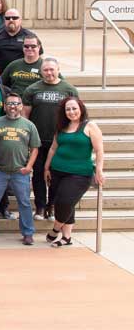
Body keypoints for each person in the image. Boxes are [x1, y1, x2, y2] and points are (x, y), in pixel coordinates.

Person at [0, 92, 39, 245]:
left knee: (24, 202)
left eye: (16, 104)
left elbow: (35, 148)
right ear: (4, 107)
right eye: (10, 104)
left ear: (21, 106)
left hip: (20, 172)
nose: (13, 106)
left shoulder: (29, 125)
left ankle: (28, 232)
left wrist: (29, 167)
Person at [22, 57, 79, 219]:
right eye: (45, 70)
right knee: (39, 174)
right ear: (41, 71)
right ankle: (40, 206)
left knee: (56, 174)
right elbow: (25, 115)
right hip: (38, 141)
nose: (49, 72)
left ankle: (51, 205)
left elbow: (76, 115)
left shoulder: (69, 89)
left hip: (61, 141)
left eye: (52, 69)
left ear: (58, 69)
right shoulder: (32, 89)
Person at [45, 97, 105, 248]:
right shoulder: (62, 126)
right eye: (68, 109)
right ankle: (66, 237)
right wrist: (46, 167)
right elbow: (53, 148)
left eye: (74, 108)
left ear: (81, 108)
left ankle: (56, 229)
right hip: (57, 170)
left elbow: (99, 150)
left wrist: (99, 170)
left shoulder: (90, 126)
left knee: (64, 202)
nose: (71, 112)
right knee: (67, 203)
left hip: (79, 173)